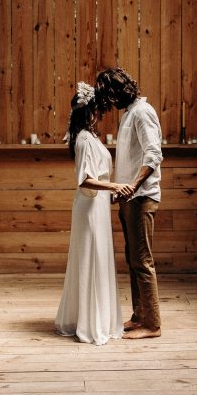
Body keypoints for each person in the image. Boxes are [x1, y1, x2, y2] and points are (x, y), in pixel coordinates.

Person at [55, 81, 133, 345]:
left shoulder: (89, 137)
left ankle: (94, 316)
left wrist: (111, 194)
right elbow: (85, 180)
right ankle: (91, 322)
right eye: (97, 110)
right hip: (89, 207)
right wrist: (114, 185)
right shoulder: (86, 140)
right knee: (92, 258)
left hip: (97, 205)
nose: (101, 114)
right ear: (88, 112)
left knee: (97, 257)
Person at [95, 67, 163, 339]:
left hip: (141, 196)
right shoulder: (129, 114)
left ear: (118, 92)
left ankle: (153, 324)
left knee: (143, 261)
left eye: (110, 98)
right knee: (132, 259)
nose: (109, 104)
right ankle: (139, 316)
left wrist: (133, 186)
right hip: (128, 197)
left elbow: (153, 154)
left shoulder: (143, 112)